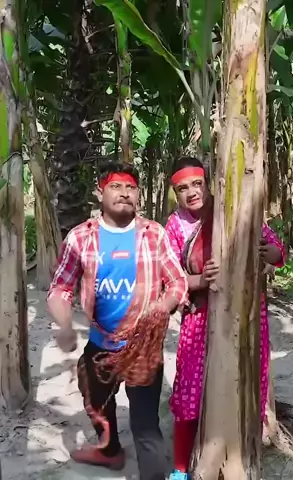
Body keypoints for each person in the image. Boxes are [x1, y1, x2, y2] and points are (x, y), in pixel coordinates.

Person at [47, 164, 188, 480]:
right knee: (97, 404)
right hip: (100, 346)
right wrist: (65, 325)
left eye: (130, 187)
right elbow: (60, 288)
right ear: (100, 193)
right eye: (115, 186)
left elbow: (178, 282)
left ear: (138, 194)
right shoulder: (80, 238)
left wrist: (162, 307)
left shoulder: (153, 234)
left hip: (143, 350)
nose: (125, 193)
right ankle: (110, 452)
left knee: (144, 424)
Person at [164, 156, 286, 480]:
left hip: (246, 314)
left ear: (207, 182)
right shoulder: (175, 226)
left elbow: (277, 250)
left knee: (243, 384)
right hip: (199, 318)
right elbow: (169, 277)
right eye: (183, 188)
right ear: (175, 193)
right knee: (190, 393)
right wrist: (200, 280)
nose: (192, 192)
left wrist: (270, 253)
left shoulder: (230, 210)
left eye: (197, 183)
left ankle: (242, 455)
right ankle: (180, 469)